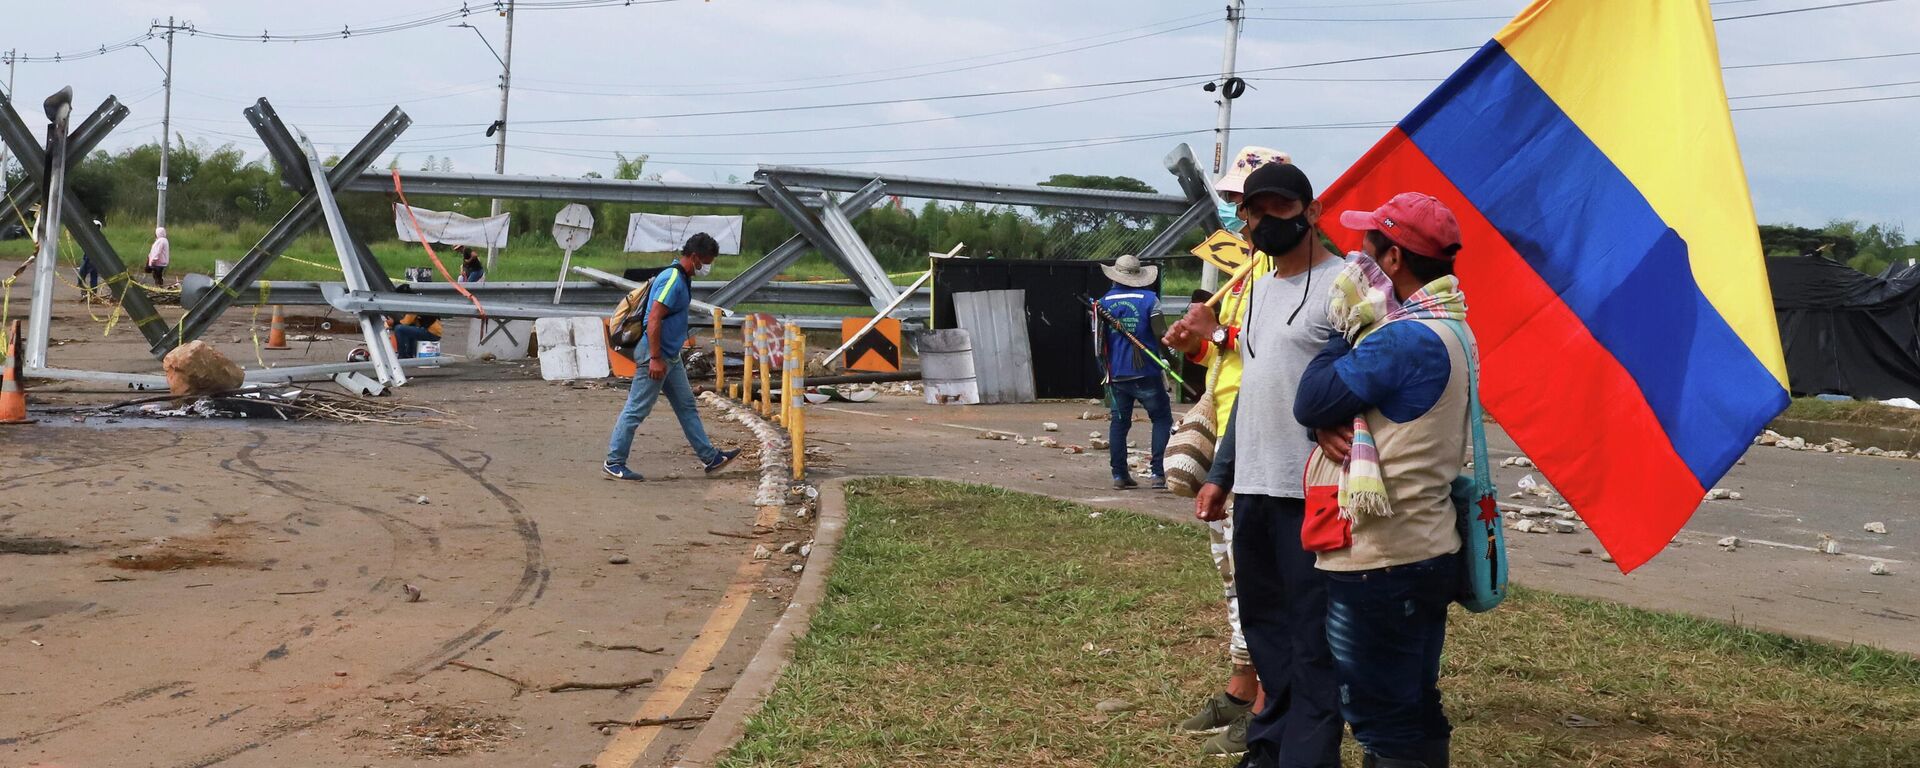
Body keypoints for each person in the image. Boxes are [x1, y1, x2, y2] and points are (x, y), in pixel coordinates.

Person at [1292, 193, 1472, 768]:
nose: (1356, 261)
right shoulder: (1451, 329)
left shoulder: (1401, 338)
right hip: (1426, 546)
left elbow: (1312, 398)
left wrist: (1344, 323)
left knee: (1379, 718)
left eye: (1367, 249)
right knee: (1415, 702)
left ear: (1392, 260)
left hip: (1378, 559)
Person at [1194, 161, 1347, 768]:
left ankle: (1307, 758)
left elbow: (1370, 376)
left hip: (1311, 492)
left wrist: (1344, 417)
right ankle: (1268, 748)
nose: (1262, 221)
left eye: (1278, 209)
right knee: (1265, 632)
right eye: (1253, 212)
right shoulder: (1253, 291)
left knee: (1312, 642)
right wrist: (1220, 474)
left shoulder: (1345, 288)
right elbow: (1254, 388)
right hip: (1254, 487)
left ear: (1310, 212)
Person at [1161, 145, 1290, 757]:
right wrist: (1195, 341)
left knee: (1258, 579)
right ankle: (1243, 687)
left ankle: (1267, 702)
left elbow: (1275, 346)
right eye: (1236, 202)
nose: (1241, 216)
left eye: (1250, 203)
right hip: (1231, 435)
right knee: (1233, 573)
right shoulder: (1244, 271)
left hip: (1270, 440)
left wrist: (1212, 330)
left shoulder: (1286, 270)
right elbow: (1224, 356)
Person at [603, 232, 741, 482]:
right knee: (636, 409)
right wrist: (655, 358)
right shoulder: (673, 280)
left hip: (670, 355)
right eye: (708, 261)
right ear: (695, 257)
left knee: (687, 405)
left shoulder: (681, 277)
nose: (708, 267)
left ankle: (710, 457)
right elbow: (653, 319)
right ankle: (614, 461)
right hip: (656, 355)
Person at [1094, 254, 1172, 491]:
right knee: (1161, 419)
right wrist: (1170, 359)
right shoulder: (1150, 300)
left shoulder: (1102, 303)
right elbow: (1161, 335)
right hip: (1146, 371)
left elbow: (1097, 344)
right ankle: (1158, 474)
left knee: (1119, 423)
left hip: (1117, 373)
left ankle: (1119, 475)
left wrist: (1105, 371)